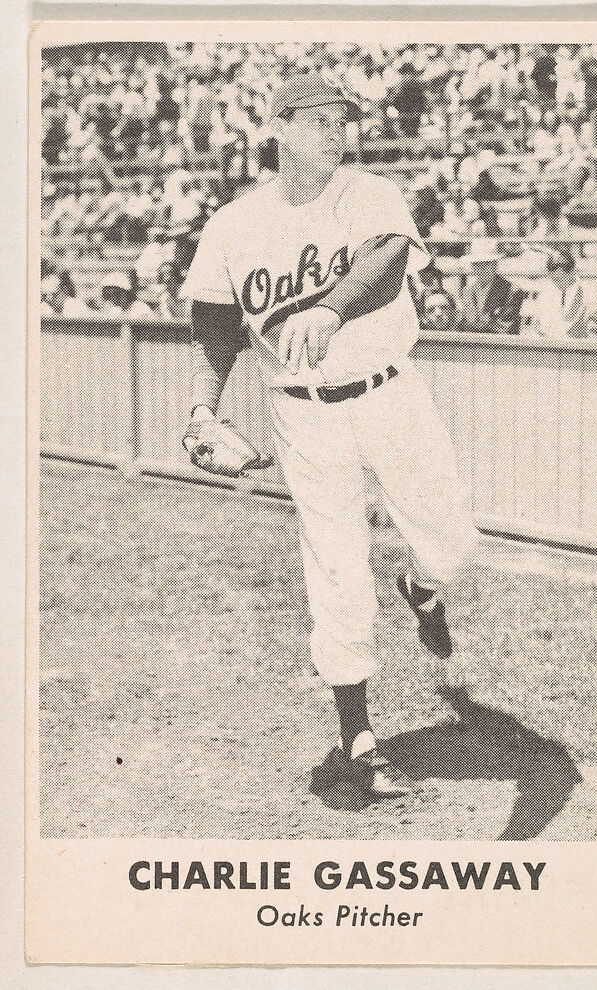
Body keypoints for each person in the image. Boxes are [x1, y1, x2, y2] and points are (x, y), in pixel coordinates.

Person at [181, 72, 478, 800]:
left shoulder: (365, 192)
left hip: (387, 390)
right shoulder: (234, 224)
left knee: (455, 545)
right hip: (301, 410)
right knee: (337, 571)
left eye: (340, 120)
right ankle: (360, 740)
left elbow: (385, 263)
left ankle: (422, 586)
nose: (334, 131)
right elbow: (216, 321)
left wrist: (332, 308)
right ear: (277, 127)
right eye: (316, 120)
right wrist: (201, 408)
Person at [532, 248, 597, 338]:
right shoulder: (545, 294)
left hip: (579, 349)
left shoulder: (593, 294)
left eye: (561, 279)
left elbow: (595, 336)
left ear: (573, 271)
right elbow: (538, 330)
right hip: (548, 347)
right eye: (555, 280)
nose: (558, 284)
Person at [458, 240, 525, 334]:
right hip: (472, 346)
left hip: (501, 347)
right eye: (477, 264)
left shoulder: (512, 292)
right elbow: (463, 326)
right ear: (472, 267)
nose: (482, 269)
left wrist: (475, 326)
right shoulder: (467, 291)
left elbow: (502, 328)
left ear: (495, 265)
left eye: (487, 264)